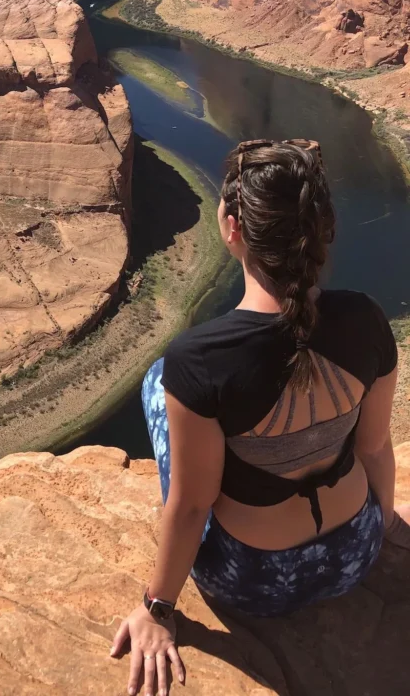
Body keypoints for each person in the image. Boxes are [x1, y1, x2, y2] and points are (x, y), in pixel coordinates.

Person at [110, 139, 410, 696]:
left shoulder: (201, 359)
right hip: (355, 552)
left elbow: (194, 503)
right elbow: (373, 448)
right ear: (325, 229)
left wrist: (158, 609)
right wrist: (387, 524)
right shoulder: (367, 319)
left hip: (254, 585)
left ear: (231, 228)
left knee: (158, 381)